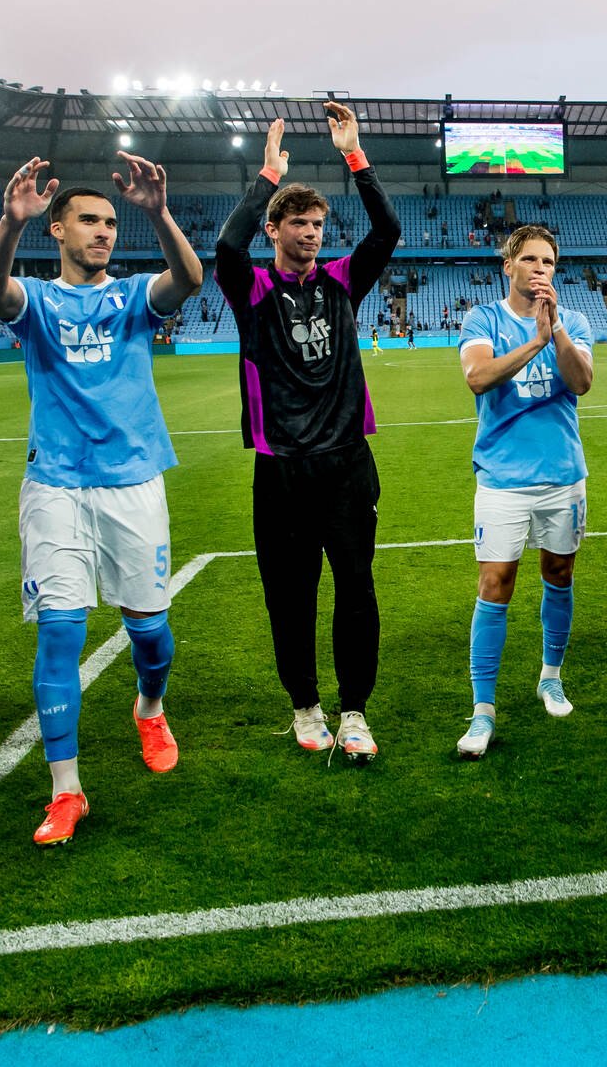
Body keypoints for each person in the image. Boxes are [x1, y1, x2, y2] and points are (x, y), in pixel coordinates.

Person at [0, 150, 202, 845]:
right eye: (88, 221)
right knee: (60, 633)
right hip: (56, 486)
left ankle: (150, 705)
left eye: (108, 222)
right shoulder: (37, 303)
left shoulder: (132, 296)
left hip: (133, 480)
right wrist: (9, 225)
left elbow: (187, 279)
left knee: (149, 634)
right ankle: (65, 788)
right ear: (58, 231)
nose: (103, 232)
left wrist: (157, 212)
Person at [214, 107, 397, 760]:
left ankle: (354, 712)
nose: (314, 233)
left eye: (319, 223)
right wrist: (268, 176)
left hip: (348, 462)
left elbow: (388, 230)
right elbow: (225, 249)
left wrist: (355, 156)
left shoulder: (344, 282)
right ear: (276, 229)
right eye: (300, 222)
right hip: (282, 465)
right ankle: (306, 707)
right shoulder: (254, 289)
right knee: (289, 596)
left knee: (357, 587)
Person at [453, 226, 594, 758]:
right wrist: (532, 341)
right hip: (502, 479)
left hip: (563, 476)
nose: (541, 269)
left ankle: (550, 676)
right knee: (495, 584)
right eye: (530, 260)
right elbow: (478, 377)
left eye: (549, 262)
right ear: (507, 266)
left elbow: (580, 383)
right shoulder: (483, 318)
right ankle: (483, 710)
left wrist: (554, 332)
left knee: (559, 574)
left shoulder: (575, 321)